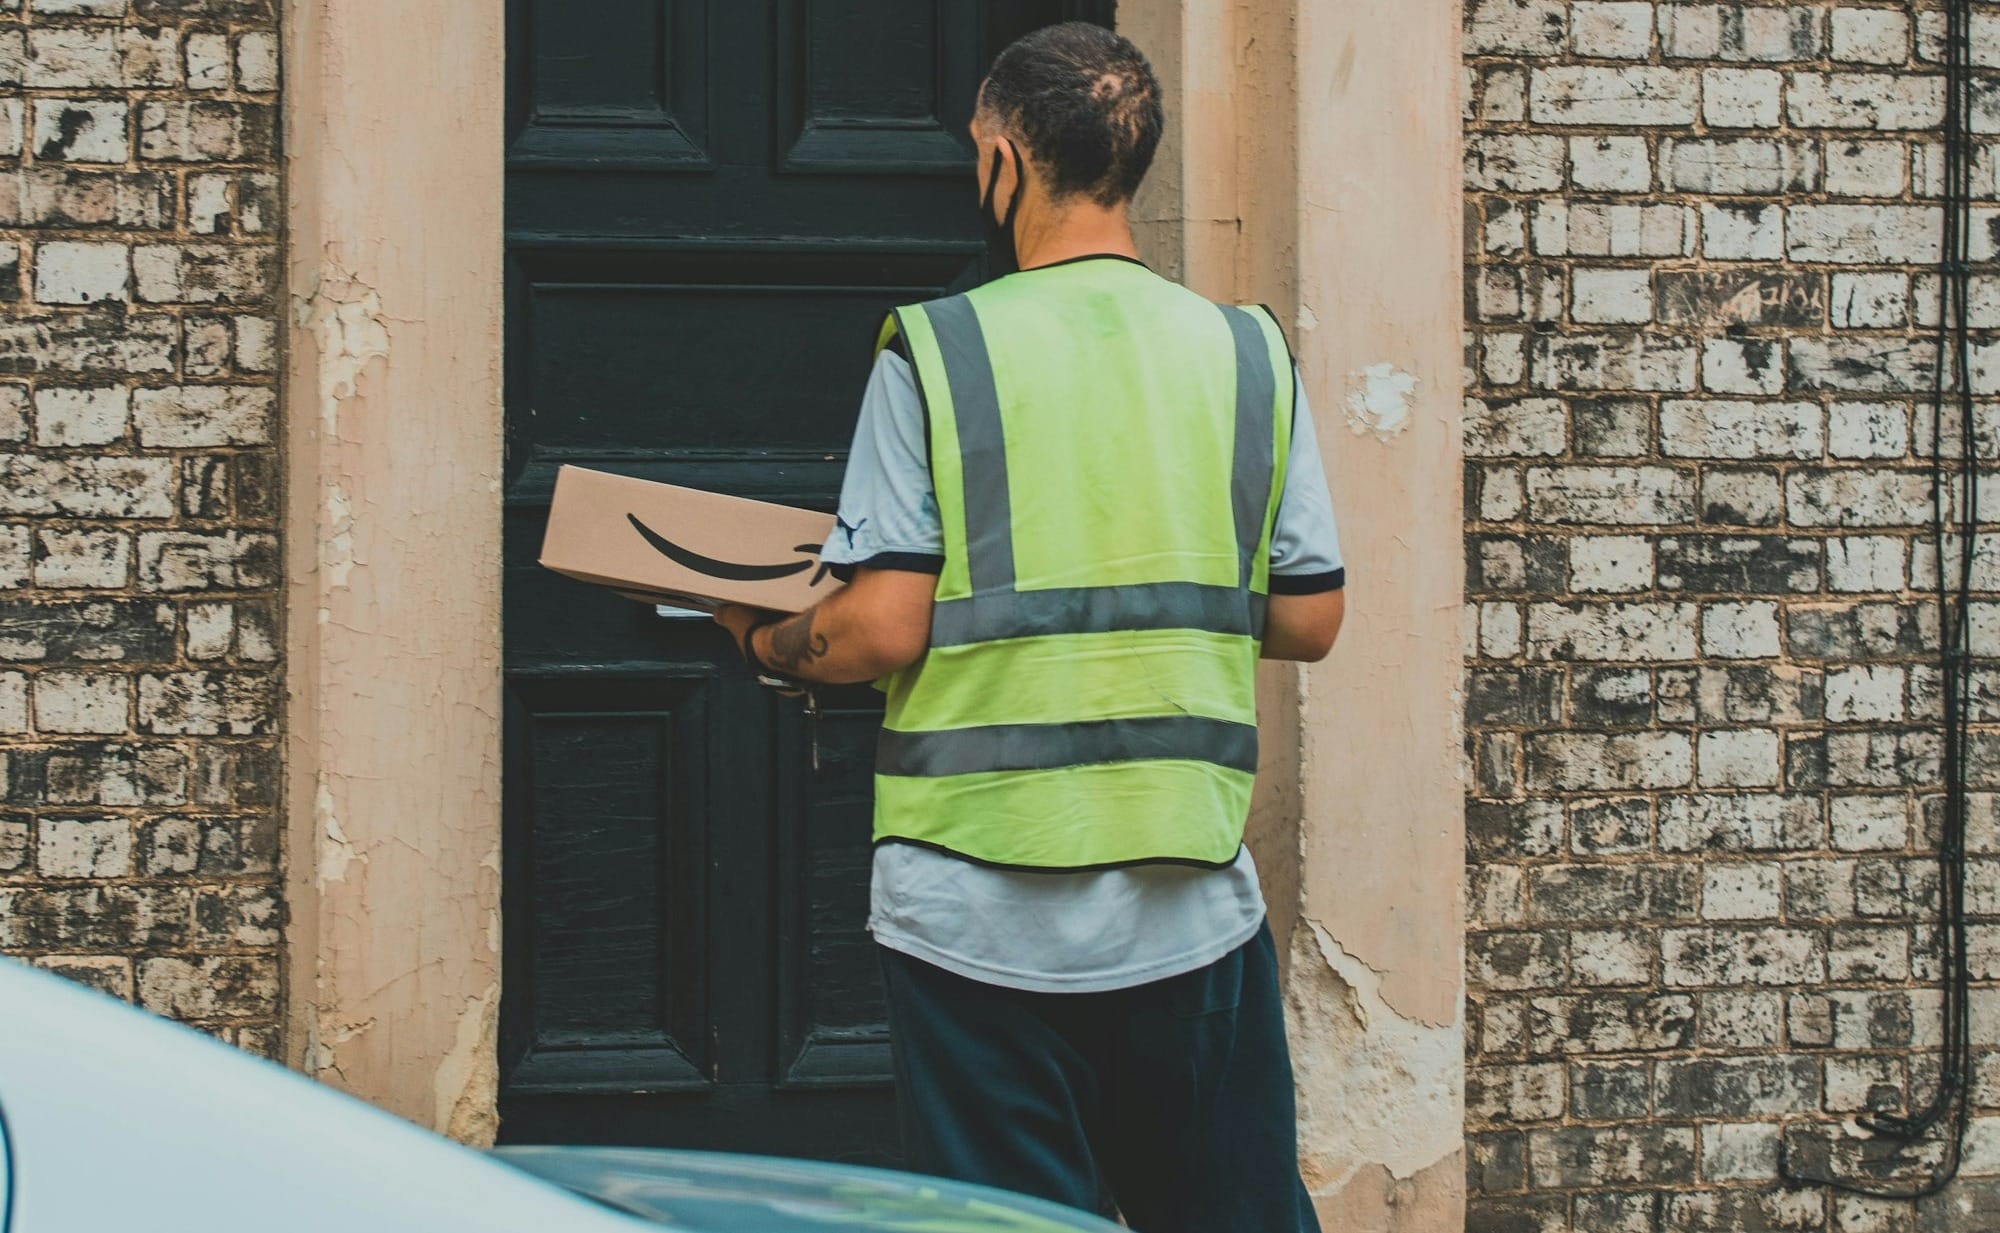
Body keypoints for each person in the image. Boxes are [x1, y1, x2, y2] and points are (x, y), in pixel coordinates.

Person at [715, 22, 1343, 1233]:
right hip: (1187, 900)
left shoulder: (941, 349)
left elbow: (881, 628)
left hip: (974, 913)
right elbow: (1309, 617)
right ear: (1132, 160)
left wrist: (760, 637)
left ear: (1001, 157)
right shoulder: (1246, 351)